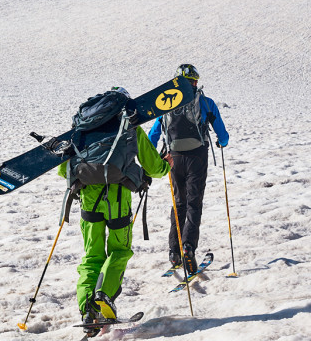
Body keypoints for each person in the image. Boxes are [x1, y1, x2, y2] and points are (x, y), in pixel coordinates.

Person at [58, 87, 172, 337]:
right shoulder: (129, 125)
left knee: (92, 255)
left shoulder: (82, 128)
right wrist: (166, 166)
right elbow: (153, 167)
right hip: (117, 198)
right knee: (119, 250)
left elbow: (62, 170)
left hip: (88, 197)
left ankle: (87, 308)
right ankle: (104, 295)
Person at [148, 64, 229, 275]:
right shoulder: (205, 102)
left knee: (178, 203)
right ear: (195, 81)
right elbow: (223, 135)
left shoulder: (166, 103)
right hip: (197, 157)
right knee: (194, 203)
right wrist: (222, 142)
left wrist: (152, 157)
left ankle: (174, 251)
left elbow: (154, 134)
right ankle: (188, 247)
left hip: (173, 158)